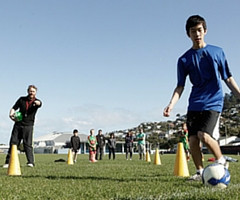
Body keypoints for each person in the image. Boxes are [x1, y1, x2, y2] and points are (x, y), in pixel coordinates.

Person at [163, 15, 240, 181]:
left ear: (205, 31)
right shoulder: (184, 59)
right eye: (193, 31)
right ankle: (199, 172)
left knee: (203, 135)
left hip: (214, 101)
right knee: (192, 140)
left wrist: (239, 95)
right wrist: (171, 105)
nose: (197, 34)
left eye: (199, 30)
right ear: (188, 34)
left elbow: (228, 77)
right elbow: (180, 86)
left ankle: (221, 161)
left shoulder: (217, 52)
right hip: (194, 103)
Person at [3, 85, 42, 168]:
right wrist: (11, 115)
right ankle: (7, 162)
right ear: (28, 91)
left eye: (33, 91)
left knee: (28, 144)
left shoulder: (37, 101)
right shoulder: (21, 99)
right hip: (18, 124)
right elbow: (13, 108)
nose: (31, 93)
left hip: (29, 126)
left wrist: (37, 103)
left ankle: (30, 162)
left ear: (35, 93)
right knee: (13, 143)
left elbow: (40, 103)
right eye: (30, 91)